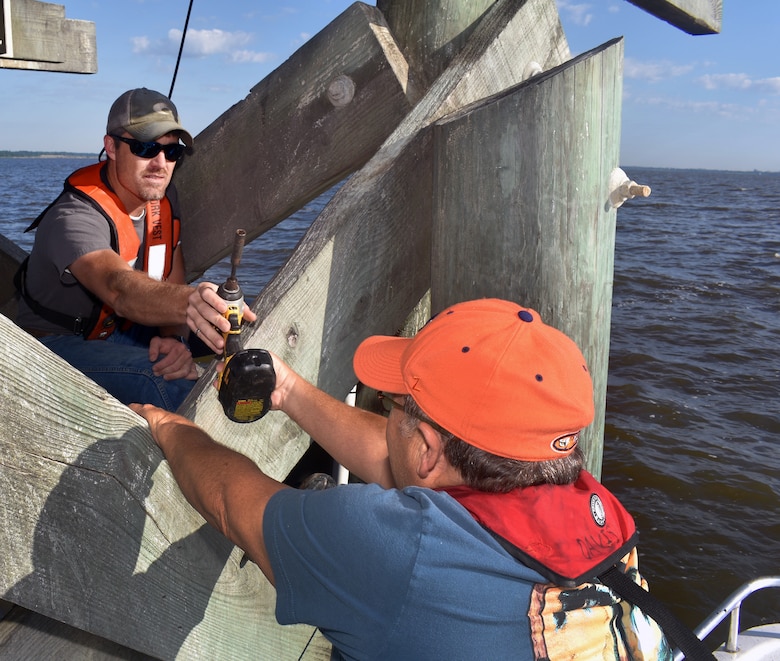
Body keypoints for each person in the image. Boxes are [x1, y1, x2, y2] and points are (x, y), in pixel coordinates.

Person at [131, 298, 672, 660]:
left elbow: (231, 502)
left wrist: (171, 428)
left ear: (429, 448)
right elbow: (408, 465)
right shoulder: (594, 507)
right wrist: (289, 391)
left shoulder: (402, 553)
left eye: (391, 404)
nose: (384, 412)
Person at [15, 87, 253, 410]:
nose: (160, 163)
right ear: (111, 147)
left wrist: (175, 342)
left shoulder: (164, 201)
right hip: (52, 344)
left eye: (172, 153)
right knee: (165, 383)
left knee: (242, 336)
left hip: (128, 328)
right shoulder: (72, 218)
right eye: (145, 147)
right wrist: (191, 302)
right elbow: (119, 290)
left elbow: (171, 281)